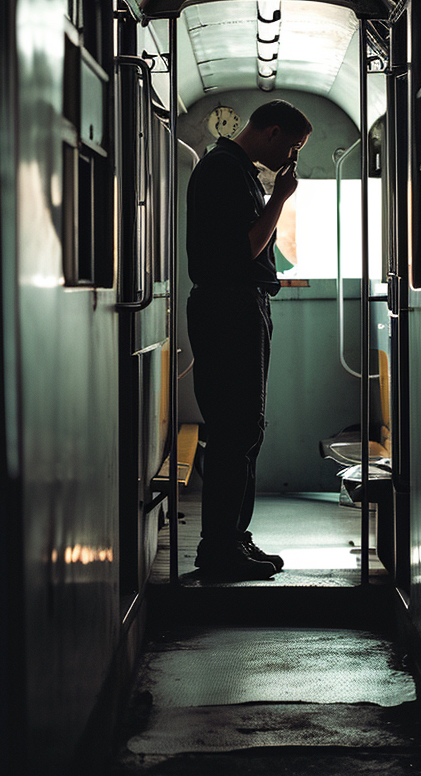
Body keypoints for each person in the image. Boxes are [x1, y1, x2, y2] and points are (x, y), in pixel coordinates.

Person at [186, 99, 313, 580]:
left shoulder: (233, 168)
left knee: (244, 431)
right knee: (235, 431)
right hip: (230, 308)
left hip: (237, 306)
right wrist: (280, 198)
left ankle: (233, 537)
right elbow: (246, 248)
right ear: (273, 132)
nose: (292, 158)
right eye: (294, 147)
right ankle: (219, 547)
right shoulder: (224, 170)